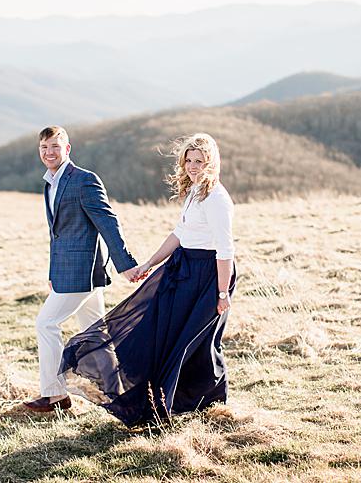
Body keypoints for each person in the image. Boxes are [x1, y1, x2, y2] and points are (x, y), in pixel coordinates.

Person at [60, 132, 236, 427]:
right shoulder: (194, 192)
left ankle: (208, 404)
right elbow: (179, 235)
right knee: (163, 333)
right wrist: (150, 264)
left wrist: (221, 293)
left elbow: (225, 250)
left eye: (200, 161)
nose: (193, 166)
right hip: (183, 269)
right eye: (189, 160)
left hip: (209, 276)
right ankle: (172, 402)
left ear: (212, 163)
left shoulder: (217, 198)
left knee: (198, 341)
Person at [13, 126, 139, 414]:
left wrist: (125, 264)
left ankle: (55, 394)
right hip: (68, 272)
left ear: (67, 149)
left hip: (82, 273)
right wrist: (53, 273)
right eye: (44, 148)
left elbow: (107, 222)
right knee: (95, 333)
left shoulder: (84, 180)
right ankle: (119, 391)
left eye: (55, 147)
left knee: (45, 324)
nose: (49, 153)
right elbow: (59, 235)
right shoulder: (50, 183)